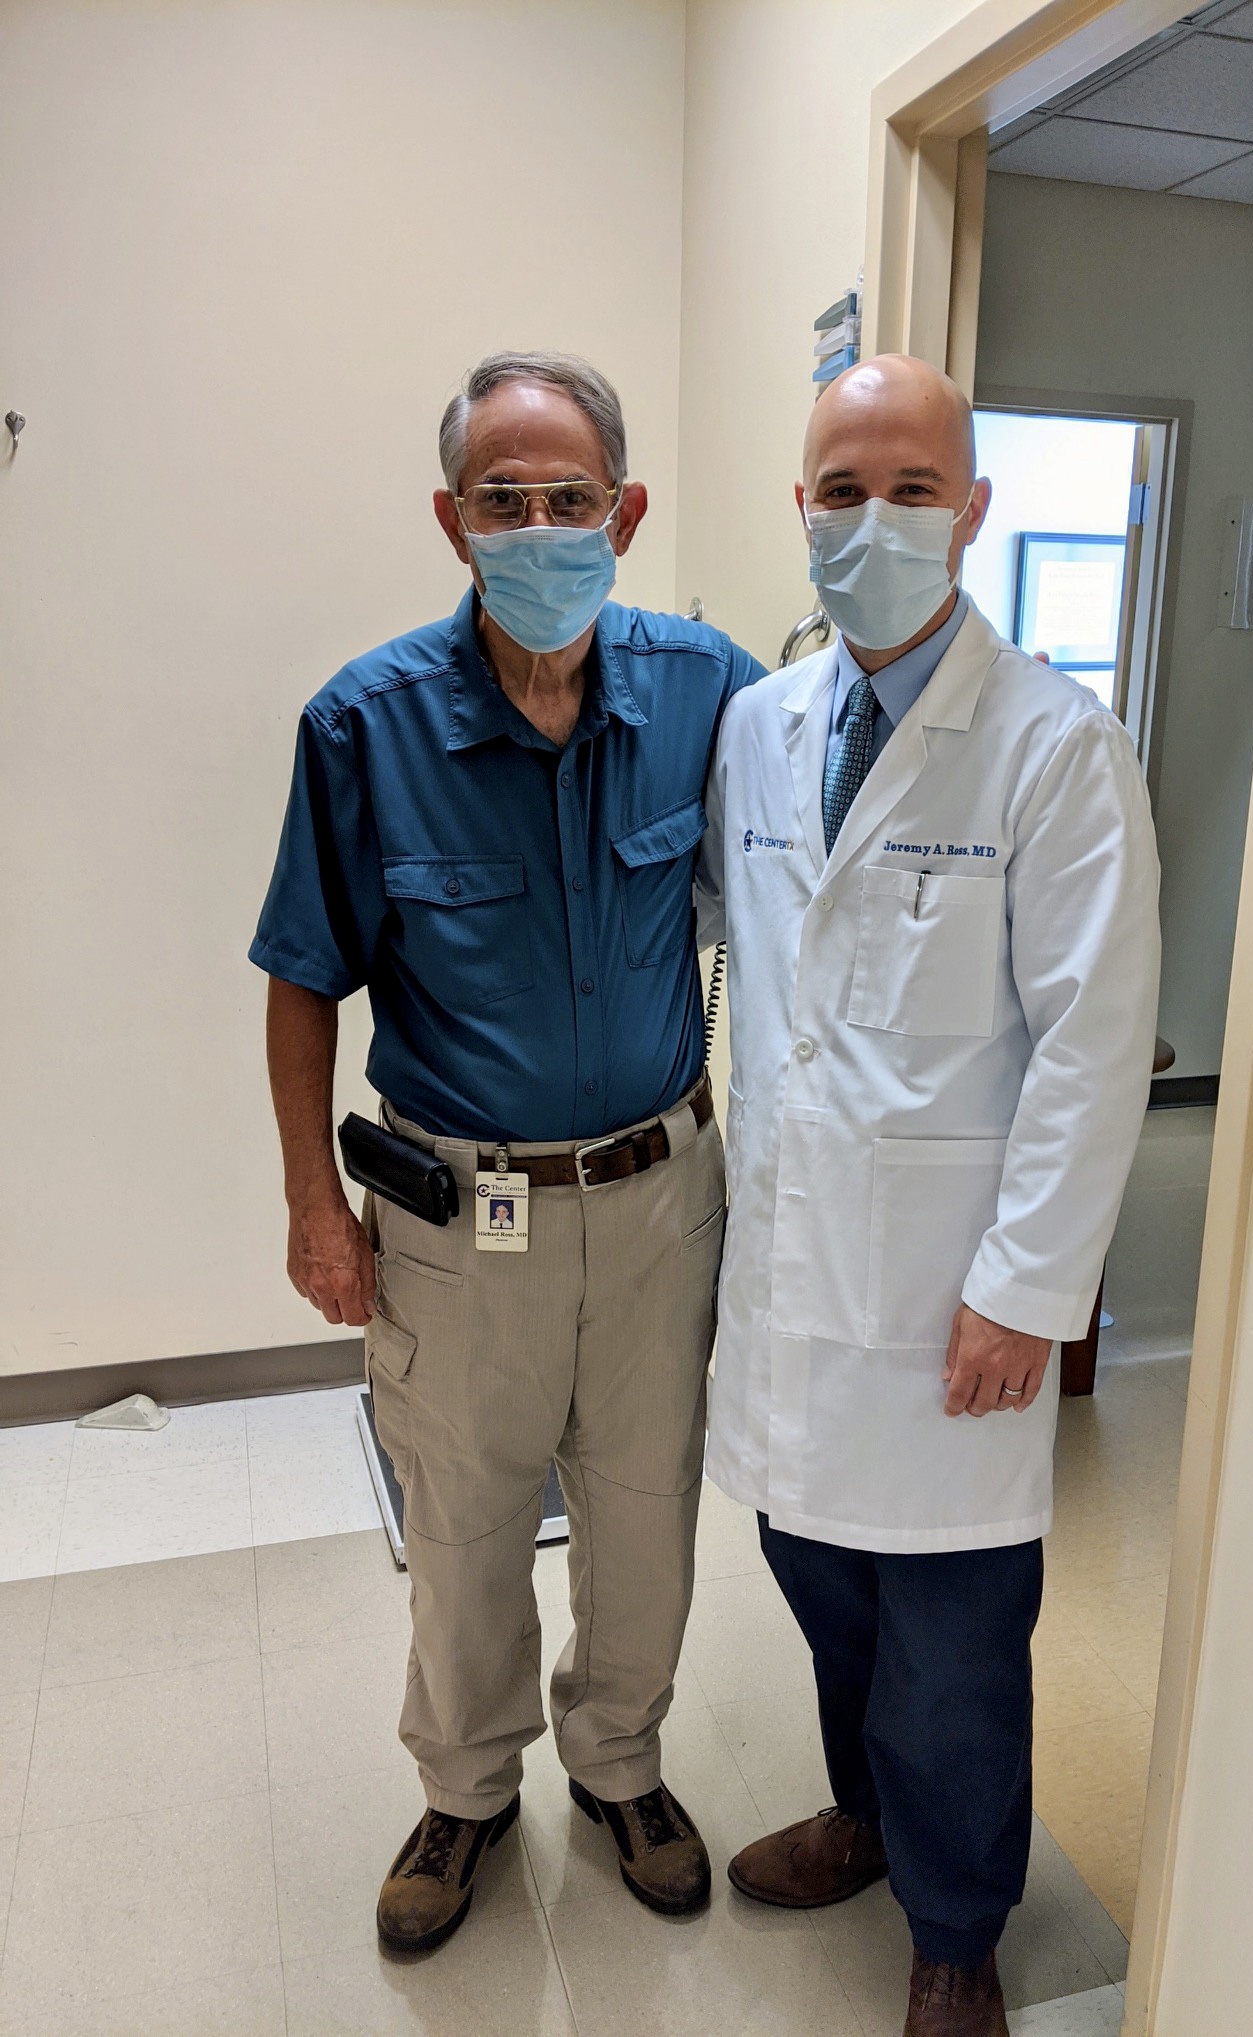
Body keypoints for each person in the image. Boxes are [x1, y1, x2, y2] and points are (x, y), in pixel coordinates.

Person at [251, 351, 762, 1955]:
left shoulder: (709, 689)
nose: (540, 526)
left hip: (663, 1195)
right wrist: (311, 1207)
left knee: (644, 1505)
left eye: (569, 499)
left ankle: (620, 1761)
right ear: (450, 520)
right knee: (466, 1517)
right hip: (459, 1221)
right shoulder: (364, 722)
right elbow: (301, 977)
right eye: (503, 501)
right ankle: (467, 1787)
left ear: (629, 508)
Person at [697, 355, 1160, 2037]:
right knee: (826, 1592)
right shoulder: (759, 725)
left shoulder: (1054, 747)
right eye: (841, 486)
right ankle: (871, 1822)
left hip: (956, 1297)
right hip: (797, 1285)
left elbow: (1096, 1049)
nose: (872, 518)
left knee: (956, 1646)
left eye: (911, 487)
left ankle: (960, 1925)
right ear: (799, 508)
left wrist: (1029, 1288)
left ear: (974, 511)